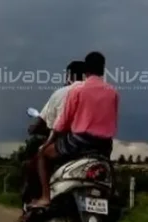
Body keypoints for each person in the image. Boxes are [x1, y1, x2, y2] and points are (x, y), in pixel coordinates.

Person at [30, 51, 119, 209]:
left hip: (79, 142)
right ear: (103, 69)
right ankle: (113, 196)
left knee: (43, 154)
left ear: (86, 71)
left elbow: (62, 122)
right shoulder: (113, 92)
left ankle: (45, 197)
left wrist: (48, 142)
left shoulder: (77, 90)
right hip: (105, 145)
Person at [16, 60, 85, 222]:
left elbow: (48, 122)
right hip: (93, 145)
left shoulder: (61, 93)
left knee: (36, 162)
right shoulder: (96, 94)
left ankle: (38, 200)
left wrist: (38, 131)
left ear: (70, 75)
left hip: (65, 146)